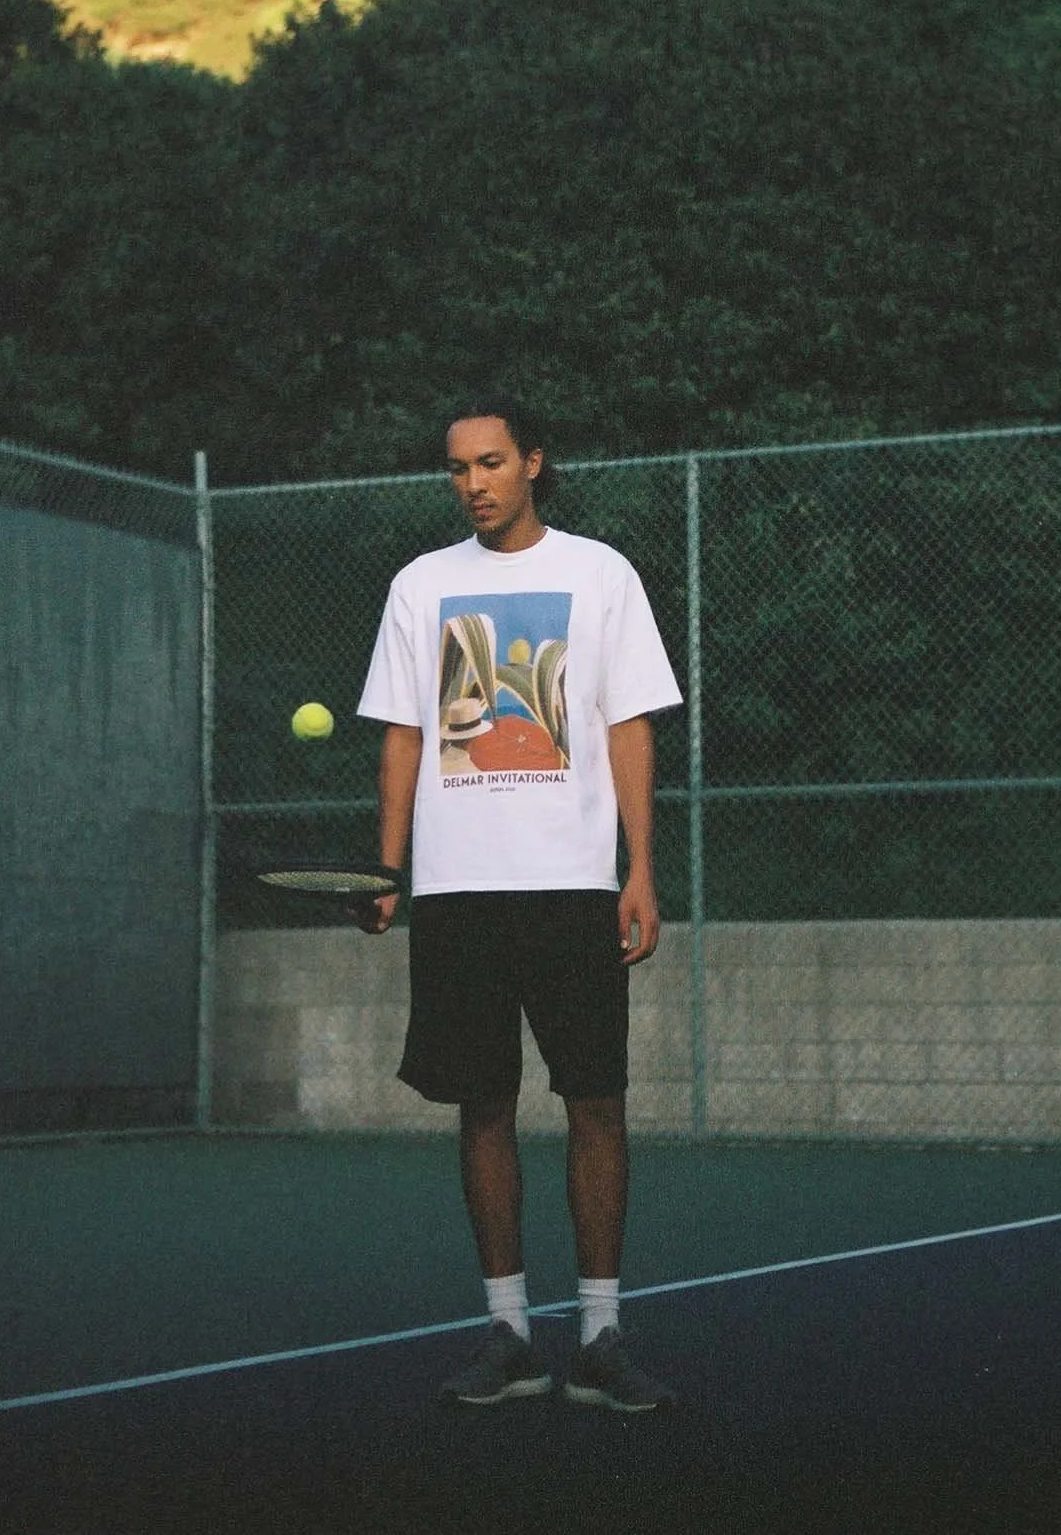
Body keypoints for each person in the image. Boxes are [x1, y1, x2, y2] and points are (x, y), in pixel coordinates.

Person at [355, 399, 682, 1412]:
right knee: (482, 1107)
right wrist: (389, 866)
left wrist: (640, 869)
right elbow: (405, 737)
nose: (473, 484)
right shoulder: (421, 586)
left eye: (491, 463)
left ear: (534, 463)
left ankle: (600, 1335)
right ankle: (508, 1335)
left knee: (596, 1103)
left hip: (574, 885)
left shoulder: (600, 573)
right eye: (457, 469)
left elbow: (629, 726)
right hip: (457, 895)